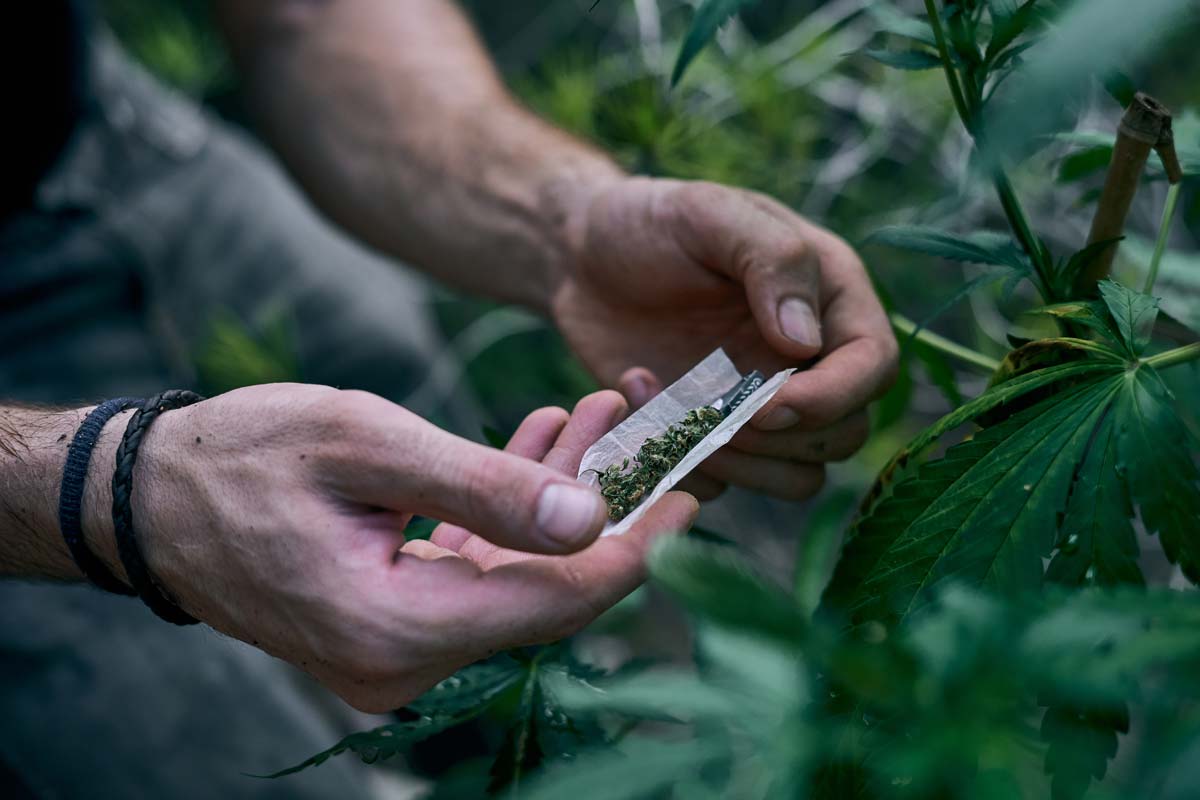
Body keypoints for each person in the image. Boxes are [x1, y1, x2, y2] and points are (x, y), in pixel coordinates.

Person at [0, 1, 896, 797]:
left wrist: (569, 224)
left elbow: (300, 15)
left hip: (92, 124)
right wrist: (104, 488)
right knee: (195, 744)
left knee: (391, 382)